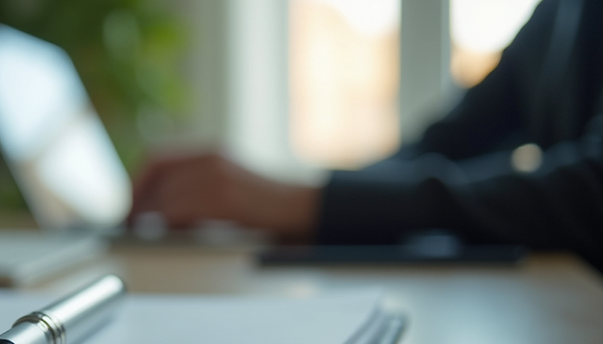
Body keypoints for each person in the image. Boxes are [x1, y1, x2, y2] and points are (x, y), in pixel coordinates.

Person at [130, 0, 603, 272]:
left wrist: (306, 203)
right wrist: (290, 199)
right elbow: (440, 146)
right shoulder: (560, 12)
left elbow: (589, 191)